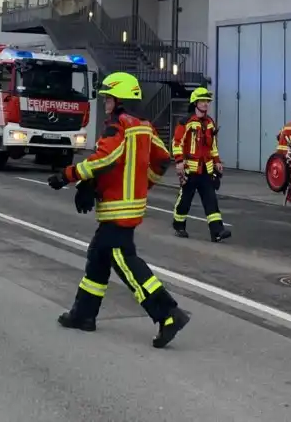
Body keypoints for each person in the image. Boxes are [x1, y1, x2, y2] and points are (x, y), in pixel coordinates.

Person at [48, 71, 190, 348]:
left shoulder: (119, 125)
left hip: (117, 208)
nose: (106, 103)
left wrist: (68, 175)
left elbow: (106, 158)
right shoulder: (144, 126)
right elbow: (162, 159)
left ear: (119, 99)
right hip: (128, 205)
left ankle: (168, 313)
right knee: (98, 257)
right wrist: (142, 185)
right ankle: (84, 315)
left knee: (125, 262)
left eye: (108, 98)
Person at [171, 86, 231, 242]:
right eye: (202, 101)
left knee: (211, 200)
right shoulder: (186, 122)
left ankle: (217, 231)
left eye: (207, 101)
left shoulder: (210, 123)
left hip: (206, 170)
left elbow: (213, 146)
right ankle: (179, 225)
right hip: (190, 170)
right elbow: (177, 143)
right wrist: (179, 161)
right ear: (195, 102)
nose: (206, 104)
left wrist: (217, 162)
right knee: (185, 200)